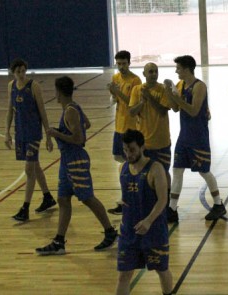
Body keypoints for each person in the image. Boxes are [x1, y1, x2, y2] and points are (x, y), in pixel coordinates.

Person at [36, 76, 118, 255]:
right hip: (67, 160)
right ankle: (59, 241)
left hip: (76, 159)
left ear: (58, 92)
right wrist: (67, 131)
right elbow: (86, 124)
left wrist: (57, 134)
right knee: (63, 199)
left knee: (87, 198)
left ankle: (110, 232)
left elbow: (79, 139)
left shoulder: (70, 111)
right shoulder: (73, 107)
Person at [164, 55, 227, 223]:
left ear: (186, 69)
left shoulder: (199, 86)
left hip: (198, 136)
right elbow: (175, 108)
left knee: (204, 171)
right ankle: (172, 208)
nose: (176, 71)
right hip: (184, 136)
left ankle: (219, 204)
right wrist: (168, 92)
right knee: (177, 171)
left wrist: (177, 98)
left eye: (178, 68)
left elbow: (193, 111)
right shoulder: (181, 85)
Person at [115, 129, 173, 295]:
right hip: (129, 231)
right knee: (123, 276)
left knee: (162, 270)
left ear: (142, 147)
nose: (128, 154)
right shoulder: (122, 169)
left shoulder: (155, 169)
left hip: (153, 231)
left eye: (132, 150)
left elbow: (163, 200)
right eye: (125, 150)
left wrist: (148, 220)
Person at [5, 58, 56, 222]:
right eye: (18, 71)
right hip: (20, 133)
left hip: (34, 133)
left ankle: (25, 208)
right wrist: (6, 133)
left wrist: (48, 135)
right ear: (13, 72)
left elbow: (42, 111)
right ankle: (47, 197)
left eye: (23, 71)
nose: (21, 74)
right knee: (36, 166)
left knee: (29, 170)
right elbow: (9, 111)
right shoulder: (11, 87)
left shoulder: (33, 86)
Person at [129, 63, 176, 199]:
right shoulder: (137, 90)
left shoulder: (162, 89)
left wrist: (149, 97)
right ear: (144, 74)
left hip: (161, 141)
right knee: (143, 173)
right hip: (143, 143)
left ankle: (167, 203)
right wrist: (142, 102)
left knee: (164, 172)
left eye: (156, 71)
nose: (154, 74)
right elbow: (132, 112)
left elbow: (162, 111)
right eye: (150, 72)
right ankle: (147, 200)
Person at [107, 50, 142, 215]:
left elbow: (131, 103)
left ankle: (129, 197)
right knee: (118, 158)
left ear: (129, 63)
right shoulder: (115, 78)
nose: (121, 67)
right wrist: (112, 95)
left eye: (123, 63)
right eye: (118, 64)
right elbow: (115, 100)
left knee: (128, 163)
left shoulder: (135, 80)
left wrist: (117, 92)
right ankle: (128, 194)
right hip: (118, 125)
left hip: (131, 126)